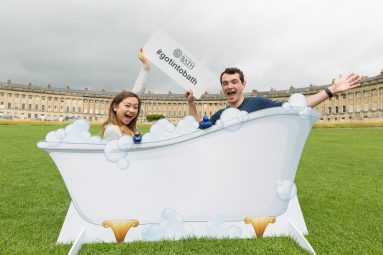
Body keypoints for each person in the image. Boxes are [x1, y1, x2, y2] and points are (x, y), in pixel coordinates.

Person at [185, 67, 361, 124]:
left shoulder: (259, 103)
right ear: (222, 88)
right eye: (225, 83)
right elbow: (197, 126)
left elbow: (297, 105)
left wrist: (331, 89)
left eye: (234, 82)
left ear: (243, 84)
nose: (229, 86)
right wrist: (191, 103)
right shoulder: (221, 115)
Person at [101, 49, 150, 141]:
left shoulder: (132, 129)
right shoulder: (113, 130)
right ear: (115, 107)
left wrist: (146, 66)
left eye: (136, 107)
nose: (132, 110)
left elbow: (137, 95)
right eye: (127, 105)